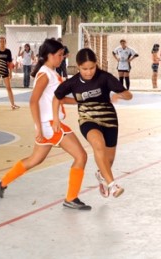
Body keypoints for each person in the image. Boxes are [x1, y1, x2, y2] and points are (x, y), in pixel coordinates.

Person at [0, 39, 91, 210]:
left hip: (48, 125)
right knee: (81, 156)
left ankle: (2, 182)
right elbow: (33, 101)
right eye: (60, 55)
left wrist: (81, 101)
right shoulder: (45, 74)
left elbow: (58, 99)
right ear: (49, 55)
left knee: (34, 160)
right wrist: (39, 128)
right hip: (52, 124)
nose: (62, 58)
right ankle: (71, 198)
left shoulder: (51, 73)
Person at [54, 48, 132, 199]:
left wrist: (119, 94)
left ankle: (102, 176)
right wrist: (56, 118)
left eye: (92, 68)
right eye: (84, 69)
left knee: (108, 161)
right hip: (87, 119)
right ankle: (112, 185)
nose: (89, 72)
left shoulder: (105, 78)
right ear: (78, 67)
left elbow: (129, 95)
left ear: (96, 65)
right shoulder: (73, 82)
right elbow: (58, 97)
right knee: (97, 143)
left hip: (109, 120)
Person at [0, 37, 20, 110]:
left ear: (5, 43)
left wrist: (11, 73)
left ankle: (13, 104)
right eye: (0, 41)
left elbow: (10, 63)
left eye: (3, 41)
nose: (2, 43)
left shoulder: (8, 51)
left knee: (9, 88)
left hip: (5, 71)